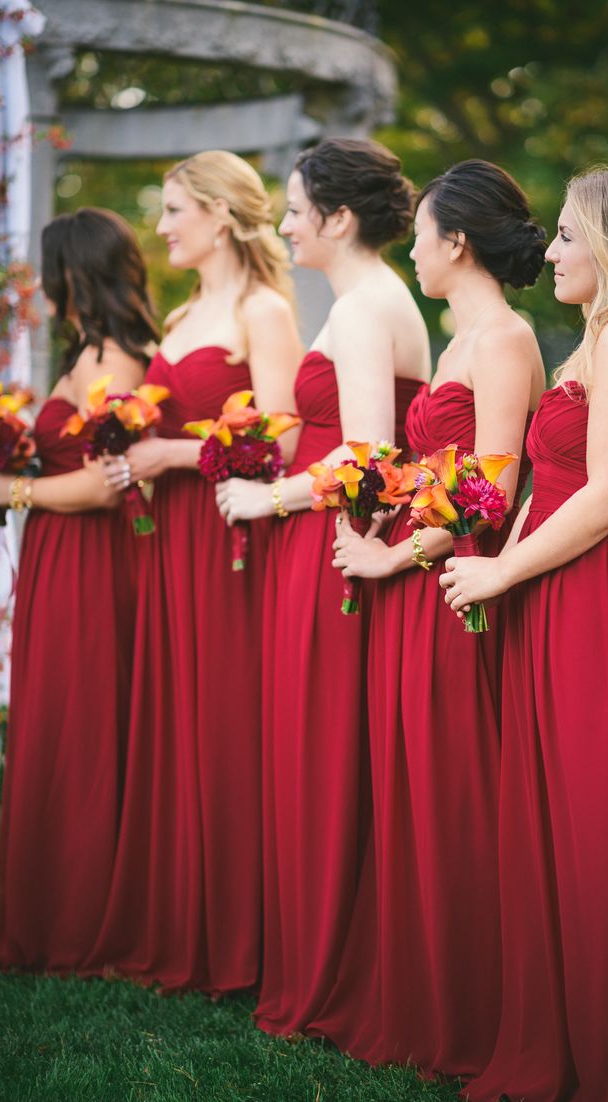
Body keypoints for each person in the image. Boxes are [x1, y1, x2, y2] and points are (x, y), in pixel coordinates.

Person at [441, 165, 608, 1099]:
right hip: (553, 594)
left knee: (600, 831)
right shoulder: (597, 340)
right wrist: (497, 577)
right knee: (552, 825)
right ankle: (555, 1035)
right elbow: (544, 490)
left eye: (565, 235)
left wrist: (501, 569)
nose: (548, 250)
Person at [310, 160, 546, 1076]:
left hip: (453, 591)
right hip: (417, 582)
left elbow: (490, 491)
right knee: (410, 780)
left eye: (423, 233)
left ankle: (472, 1010)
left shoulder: (501, 341)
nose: (411, 245)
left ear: (456, 242)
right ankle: (419, 991)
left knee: (452, 787)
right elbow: (439, 468)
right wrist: (377, 495)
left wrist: (385, 555)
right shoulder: (458, 341)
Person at [216, 137, 431, 1033]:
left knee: (324, 748)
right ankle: (317, 951)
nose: (287, 224)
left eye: (298, 208)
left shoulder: (372, 301)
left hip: (334, 541)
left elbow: (373, 452)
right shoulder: (364, 299)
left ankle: (335, 970)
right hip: (324, 539)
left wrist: (270, 494)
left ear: (339, 219)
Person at [86, 150, 302, 994]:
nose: (164, 225)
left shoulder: (264, 310)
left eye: (176, 209)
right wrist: (129, 459)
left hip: (227, 537)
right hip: (169, 534)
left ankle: (241, 937)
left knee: (224, 715)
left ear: (219, 214)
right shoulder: (180, 317)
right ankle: (180, 919)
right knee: (177, 711)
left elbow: (281, 442)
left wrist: (169, 452)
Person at [0, 208, 158, 971]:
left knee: (84, 722)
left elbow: (102, 488)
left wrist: (1, 487)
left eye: (48, 272)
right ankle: (48, 905)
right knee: (55, 717)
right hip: (58, 556)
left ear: (72, 273)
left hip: (90, 558)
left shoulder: (115, 358)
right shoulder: (86, 349)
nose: (41, 290)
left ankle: (81, 919)